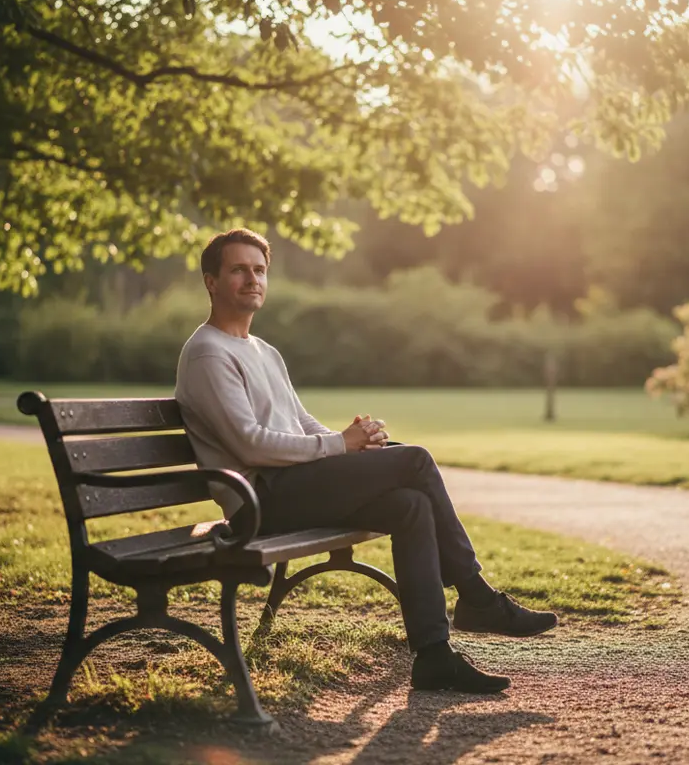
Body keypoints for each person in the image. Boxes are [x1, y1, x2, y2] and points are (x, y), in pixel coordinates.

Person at [175, 228, 557, 693]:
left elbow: (301, 421)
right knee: (415, 461)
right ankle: (477, 597)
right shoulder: (207, 353)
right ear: (211, 281)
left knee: (410, 504)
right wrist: (340, 444)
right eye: (238, 269)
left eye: (259, 270)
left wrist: (357, 443)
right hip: (260, 501)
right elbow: (251, 445)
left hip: (296, 486)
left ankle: (434, 656)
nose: (252, 279)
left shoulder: (263, 351)